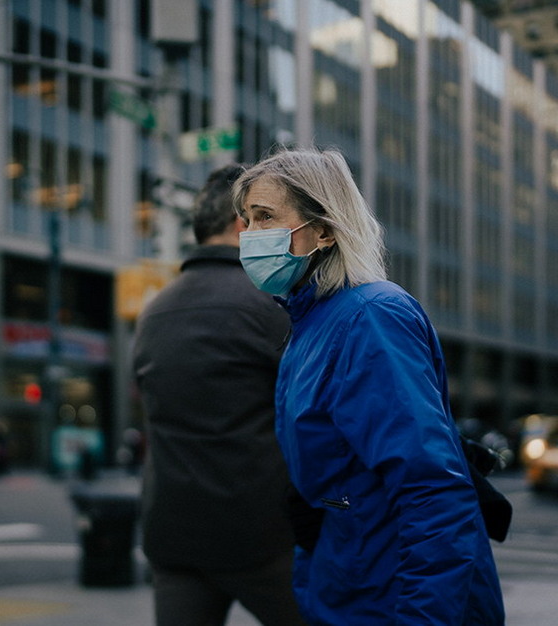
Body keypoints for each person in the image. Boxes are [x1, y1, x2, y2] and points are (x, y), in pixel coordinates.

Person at [233, 147, 505, 625]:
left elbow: (432, 489)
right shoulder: (311, 323)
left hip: (393, 598)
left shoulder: (370, 317)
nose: (249, 235)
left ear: (324, 230)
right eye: (247, 219)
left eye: (265, 217)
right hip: (351, 587)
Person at [132, 164, 306, 626]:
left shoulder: (153, 313)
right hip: (260, 536)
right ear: (240, 224)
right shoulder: (270, 304)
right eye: (263, 217)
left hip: (172, 533)